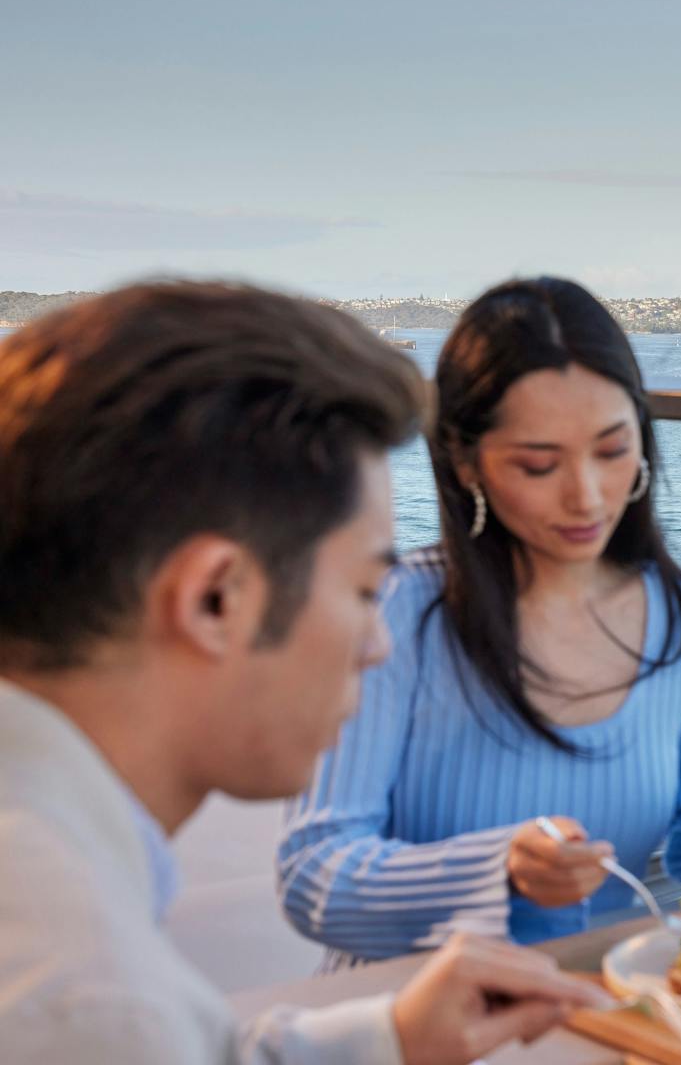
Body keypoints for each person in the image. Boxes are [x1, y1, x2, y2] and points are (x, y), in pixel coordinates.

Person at [0, 282, 608, 1065]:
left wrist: (390, 1037)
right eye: (362, 590)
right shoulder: (91, 996)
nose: (378, 643)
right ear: (216, 598)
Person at [278, 278, 681, 961]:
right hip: (415, 1031)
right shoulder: (402, 611)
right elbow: (312, 876)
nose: (588, 497)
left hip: (606, 1014)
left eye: (612, 450)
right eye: (540, 465)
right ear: (463, 461)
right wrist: (496, 870)